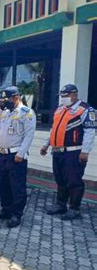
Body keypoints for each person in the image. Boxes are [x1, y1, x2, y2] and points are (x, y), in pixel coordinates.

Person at [40, 84, 96, 220]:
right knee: (60, 179)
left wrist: (85, 151)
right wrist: (46, 145)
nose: (63, 99)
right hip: (58, 151)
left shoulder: (85, 110)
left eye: (65, 96)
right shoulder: (60, 110)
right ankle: (61, 204)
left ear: (74, 95)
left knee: (73, 180)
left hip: (74, 152)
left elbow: (90, 132)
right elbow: (54, 129)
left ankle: (74, 208)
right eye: (62, 96)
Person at [0, 86, 36, 228]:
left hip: (16, 156)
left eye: (7, 99)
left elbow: (29, 134)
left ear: (16, 97)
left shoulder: (27, 113)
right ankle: (6, 210)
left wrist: (21, 153)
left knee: (17, 186)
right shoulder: (5, 112)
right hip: (2, 154)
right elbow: (0, 131)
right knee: (4, 185)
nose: (5, 102)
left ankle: (16, 214)